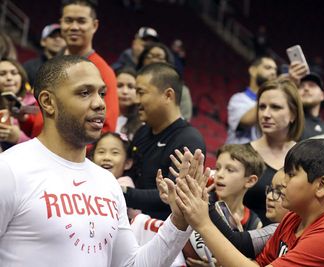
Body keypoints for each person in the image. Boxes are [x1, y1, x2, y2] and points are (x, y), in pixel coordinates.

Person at [0, 55, 192, 266]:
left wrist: (179, 221)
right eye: (84, 93)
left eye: (101, 93)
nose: (100, 103)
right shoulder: (10, 169)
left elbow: (131, 264)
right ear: (48, 102)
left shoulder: (107, 182)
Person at [175, 139, 324, 267]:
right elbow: (259, 263)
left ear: (321, 185)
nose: (282, 182)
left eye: (291, 175)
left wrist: (203, 223)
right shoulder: (293, 218)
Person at [124, 62, 205, 220]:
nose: (135, 100)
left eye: (141, 92)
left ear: (168, 95)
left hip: (164, 235)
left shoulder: (189, 140)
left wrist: (121, 192)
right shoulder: (142, 132)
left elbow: (171, 196)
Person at [244, 77, 304, 225]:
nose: (265, 114)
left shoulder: (306, 158)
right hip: (243, 242)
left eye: (275, 107)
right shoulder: (241, 155)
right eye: (262, 107)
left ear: (293, 114)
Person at [60, 0, 119, 132]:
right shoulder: (52, 65)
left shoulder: (103, 72)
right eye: (68, 20)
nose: (74, 27)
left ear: (94, 25)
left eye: (81, 21)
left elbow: (106, 128)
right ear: (61, 23)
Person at [226, 57, 307, 145]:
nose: (273, 72)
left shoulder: (280, 99)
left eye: (275, 70)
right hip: (238, 155)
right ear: (253, 70)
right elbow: (245, 121)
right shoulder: (238, 99)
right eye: (268, 68)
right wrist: (278, 84)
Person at [212, 144, 265, 230]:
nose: (220, 174)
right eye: (217, 168)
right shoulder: (203, 201)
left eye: (230, 170)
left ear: (250, 181)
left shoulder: (254, 224)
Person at [136, 42, 192, 121]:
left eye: (159, 57)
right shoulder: (131, 83)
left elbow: (184, 120)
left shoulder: (182, 90)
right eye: (149, 56)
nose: (154, 60)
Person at [0, 59, 37, 151]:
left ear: (22, 77)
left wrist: (18, 138)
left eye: (14, 73)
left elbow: (44, 147)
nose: (9, 78)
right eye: (2, 74)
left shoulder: (36, 105)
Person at [298, 72, 324, 139]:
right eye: (301, 86)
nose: (306, 89)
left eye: (312, 85)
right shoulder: (288, 123)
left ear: (322, 95)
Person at [114, 67, 142, 141]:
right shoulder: (102, 118)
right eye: (119, 86)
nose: (125, 92)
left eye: (130, 87)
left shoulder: (144, 121)